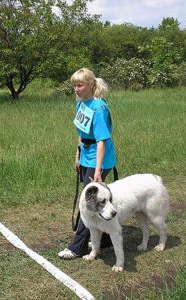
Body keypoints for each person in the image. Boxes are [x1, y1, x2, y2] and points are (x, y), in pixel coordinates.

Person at [58, 68, 117, 259]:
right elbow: (81, 132)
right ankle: (106, 238)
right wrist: (77, 155)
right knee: (92, 199)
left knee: (88, 200)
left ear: (91, 85)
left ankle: (78, 246)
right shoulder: (81, 103)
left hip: (99, 158)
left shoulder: (99, 108)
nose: (76, 89)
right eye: (74, 85)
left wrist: (98, 171)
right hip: (86, 154)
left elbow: (102, 141)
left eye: (80, 85)